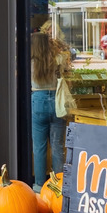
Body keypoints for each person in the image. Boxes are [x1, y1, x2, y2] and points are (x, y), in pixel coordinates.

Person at [30, 32, 67, 192]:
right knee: (58, 146)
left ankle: (39, 186)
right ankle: (59, 184)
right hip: (57, 101)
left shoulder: (31, 62)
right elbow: (66, 63)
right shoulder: (57, 59)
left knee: (39, 147)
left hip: (38, 99)